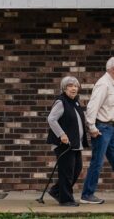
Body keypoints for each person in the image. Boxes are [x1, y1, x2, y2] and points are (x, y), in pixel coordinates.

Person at [46, 76, 88, 207]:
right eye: (70, 86)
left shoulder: (75, 102)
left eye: (75, 86)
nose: (74, 88)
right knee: (67, 171)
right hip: (64, 144)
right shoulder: (61, 102)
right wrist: (62, 134)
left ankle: (56, 190)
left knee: (76, 169)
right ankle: (66, 200)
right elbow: (51, 119)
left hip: (75, 144)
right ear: (64, 88)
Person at [80, 57, 114, 204]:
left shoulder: (112, 84)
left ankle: (87, 194)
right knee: (97, 162)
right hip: (102, 128)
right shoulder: (103, 84)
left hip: (111, 128)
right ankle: (87, 195)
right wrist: (92, 127)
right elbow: (92, 107)